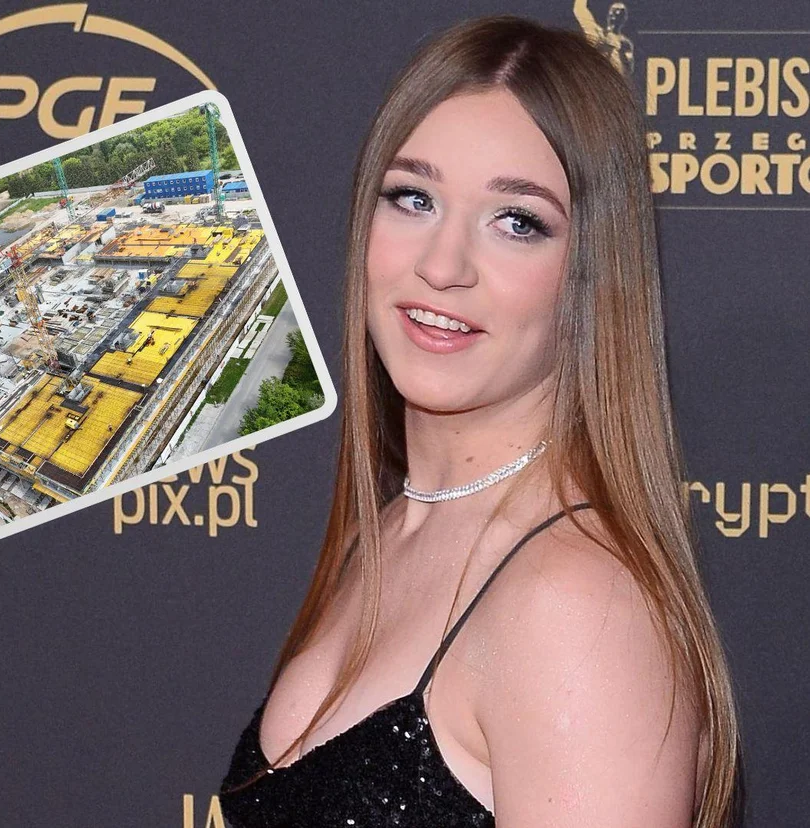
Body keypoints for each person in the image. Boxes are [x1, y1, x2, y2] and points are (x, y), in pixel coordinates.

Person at [219, 14, 742, 828]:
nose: (442, 266)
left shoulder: (574, 610)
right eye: (413, 198)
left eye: (517, 221)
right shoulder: (389, 533)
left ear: (593, 273)